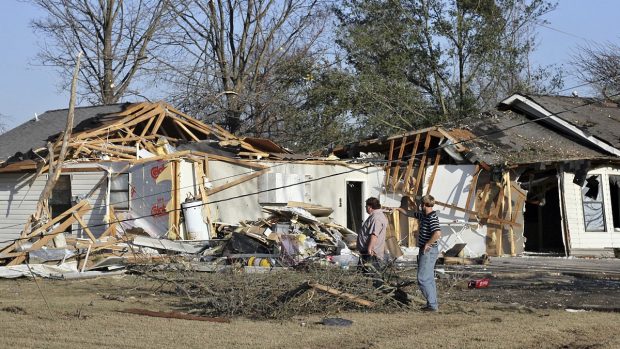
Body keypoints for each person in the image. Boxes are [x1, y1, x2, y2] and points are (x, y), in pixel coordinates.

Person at [396, 194, 441, 312]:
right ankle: (432, 304)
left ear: (424, 204)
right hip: (428, 250)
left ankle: (432, 305)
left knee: (422, 278)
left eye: (421, 204)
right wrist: (397, 209)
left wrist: (428, 243)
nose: (419, 206)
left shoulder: (431, 217)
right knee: (429, 278)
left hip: (428, 250)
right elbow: (409, 213)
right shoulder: (424, 215)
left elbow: (437, 233)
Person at [357, 197, 388, 270]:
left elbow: (374, 235)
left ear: (369, 207)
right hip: (368, 252)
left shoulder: (376, 218)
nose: (366, 208)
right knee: (364, 275)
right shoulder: (376, 215)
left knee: (371, 274)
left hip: (371, 253)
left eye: (366, 206)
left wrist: (369, 249)